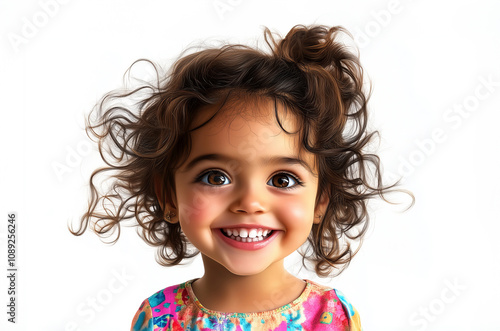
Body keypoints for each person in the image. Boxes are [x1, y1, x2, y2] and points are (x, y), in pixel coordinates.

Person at [71, 24, 403, 330]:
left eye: (283, 180)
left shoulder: (332, 316)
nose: (250, 203)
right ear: (169, 196)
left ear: (321, 200)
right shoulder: (158, 317)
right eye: (215, 177)